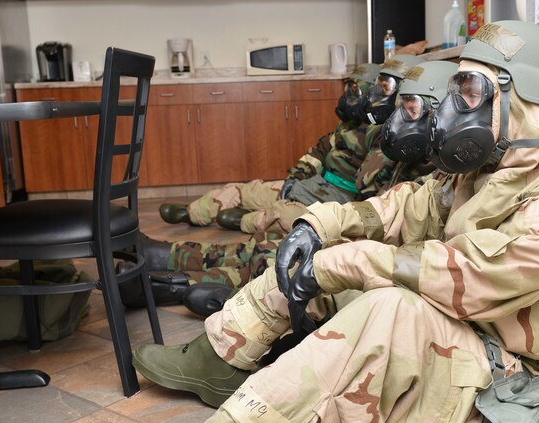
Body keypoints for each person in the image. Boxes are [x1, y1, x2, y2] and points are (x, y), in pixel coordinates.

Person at [62, 21, 539, 423]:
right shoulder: (487, 173)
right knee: (319, 261)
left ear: (525, 104)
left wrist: (341, 264)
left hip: (515, 384)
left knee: (386, 310)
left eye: (469, 90)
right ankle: (222, 353)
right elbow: (403, 206)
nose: (451, 108)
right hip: (471, 342)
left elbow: (468, 279)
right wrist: (319, 226)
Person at [125, 61, 458, 317]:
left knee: (275, 258)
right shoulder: (407, 157)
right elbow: (370, 197)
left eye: (409, 109)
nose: (398, 119)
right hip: (357, 228)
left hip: (375, 257)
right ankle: (167, 257)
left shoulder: (442, 175)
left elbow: (383, 218)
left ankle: (178, 287)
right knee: (267, 248)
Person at [158, 55, 421, 232]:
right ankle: (193, 212)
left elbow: (368, 189)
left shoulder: (387, 135)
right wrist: (295, 179)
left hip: (336, 200)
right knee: (242, 190)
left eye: (360, 89)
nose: (354, 95)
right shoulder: (350, 124)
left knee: (283, 215)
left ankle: (246, 221)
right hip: (315, 183)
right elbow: (319, 150)